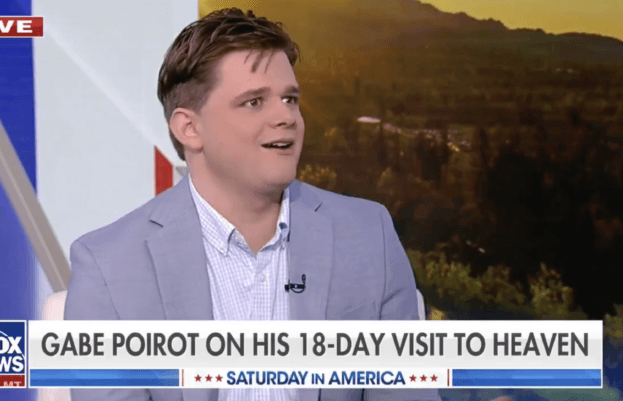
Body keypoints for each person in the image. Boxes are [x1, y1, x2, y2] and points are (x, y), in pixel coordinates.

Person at [65, 8, 440, 401]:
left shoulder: (368, 235)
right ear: (189, 128)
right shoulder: (108, 265)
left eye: (290, 99)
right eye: (254, 102)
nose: (286, 116)